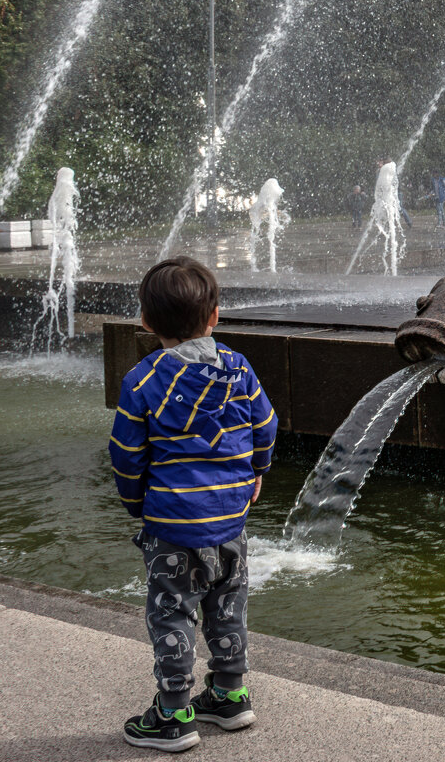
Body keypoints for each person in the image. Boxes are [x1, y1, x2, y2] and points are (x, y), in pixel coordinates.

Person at [111, 256, 278, 753]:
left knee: (172, 613)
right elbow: (265, 425)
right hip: (231, 521)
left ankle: (173, 714)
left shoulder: (142, 381)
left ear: (146, 321)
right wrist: (257, 470)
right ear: (214, 316)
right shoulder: (239, 368)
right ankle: (229, 695)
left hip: (173, 525)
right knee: (228, 605)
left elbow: (126, 456)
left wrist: (136, 503)